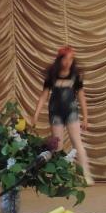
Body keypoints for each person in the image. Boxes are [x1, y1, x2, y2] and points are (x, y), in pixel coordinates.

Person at [32, 46, 94, 185]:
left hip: (71, 112)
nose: (67, 62)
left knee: (77, 143)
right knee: (57, 146)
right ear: (59, 59)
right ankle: (59, 176)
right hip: (55, 113)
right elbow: (44, 96)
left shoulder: (75, 76)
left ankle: (86, 175)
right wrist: (35, 115)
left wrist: (86, 117)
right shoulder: (52, 75)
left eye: (70, 59)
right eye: (65, 59)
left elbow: (81, 97)